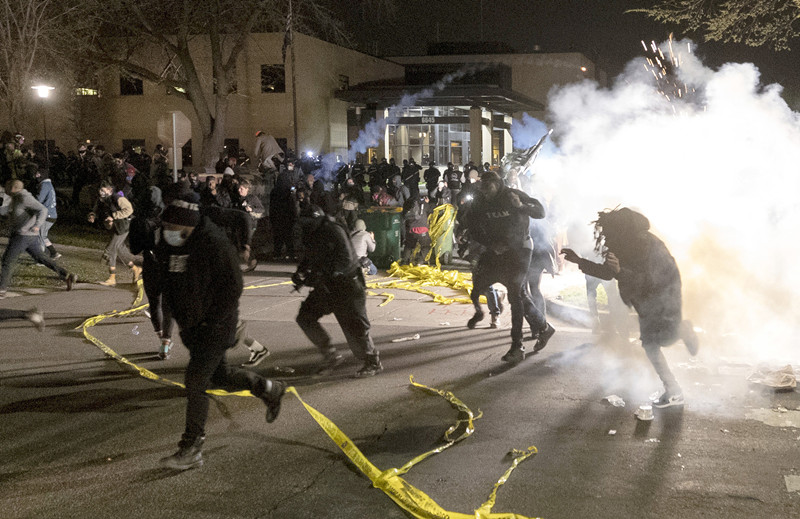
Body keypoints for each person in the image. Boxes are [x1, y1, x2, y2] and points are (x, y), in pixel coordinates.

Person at [156, 198, 286, 470]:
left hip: (216, 327)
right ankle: (269, 389)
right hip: (193, 328)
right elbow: (167, 280)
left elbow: (233, 287)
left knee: (195, 381)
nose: (167, 231)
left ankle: (192, 447)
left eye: (172, 227)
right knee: (221, 376)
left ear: (187, 226)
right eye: (165, 226)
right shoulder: (171, 243)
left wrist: (213, 321)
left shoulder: (213, 244)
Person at [562, 208, 698, 408]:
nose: (605, 239)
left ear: (621, 230)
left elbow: (650, 281)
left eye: (608, 233)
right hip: (645, 299)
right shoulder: (623, 244)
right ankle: (680, 339)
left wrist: (620, 271)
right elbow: (609, 274)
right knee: (656, 342)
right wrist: (580, 261)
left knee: (652, 345)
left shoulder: (648, 246)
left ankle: (674, 391)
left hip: (663, 297)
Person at [464, 171, 555, 363]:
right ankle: (544, 328)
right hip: (497, 249)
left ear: (497, 185)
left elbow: (540, 212)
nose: (485, 191)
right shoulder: (481, 201)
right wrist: (489, 243)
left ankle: (517, 345)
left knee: (515, 293)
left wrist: (521, 206)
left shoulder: (512, 195)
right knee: (481, 281)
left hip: (520, 248)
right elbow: (471, 226)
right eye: (483, 187)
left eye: (488, 187)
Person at [292, 205, 382, 377]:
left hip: (347, 285)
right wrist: (300, 272)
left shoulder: (333, 230)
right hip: (327, 286)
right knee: (305, 317)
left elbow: (346, 260)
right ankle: (330, 355)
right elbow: (309, 256)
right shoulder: (311, 232)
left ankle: (372, 361)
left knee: (356, 326)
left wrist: (323, 273)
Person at [0, 180, 77, 297]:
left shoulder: (24, 197)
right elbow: (10, 213)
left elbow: (43, 209)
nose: (5, 188)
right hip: (28, 237)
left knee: (7, 261)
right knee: (41, 258)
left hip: (23, 235)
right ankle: (66, 275)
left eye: (6, 187)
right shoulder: (15, 198)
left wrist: (37, 225)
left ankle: (2, 290)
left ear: (13, 188)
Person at [88, 181, 142, 286]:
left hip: (123, 227)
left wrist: (114, 216)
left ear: (110, 190)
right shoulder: (101, 200)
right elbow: (95, 210)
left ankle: (112, 278)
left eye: (104, 190)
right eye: (100, 190)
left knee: (111, 249)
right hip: (114, 227)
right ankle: (136, 269)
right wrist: (92, 216)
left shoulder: (117, 198)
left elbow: (129, 209)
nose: (101, 192)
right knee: (120, 250)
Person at [34, 168, 61, 259]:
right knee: (43, 235)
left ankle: (42, 258)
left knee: (40, 236)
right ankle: (54, 253)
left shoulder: (44, 185)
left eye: (38, 174)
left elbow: (39, 199)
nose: (36, 176)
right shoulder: (48, 184)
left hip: (47, 215)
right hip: (52, 214)